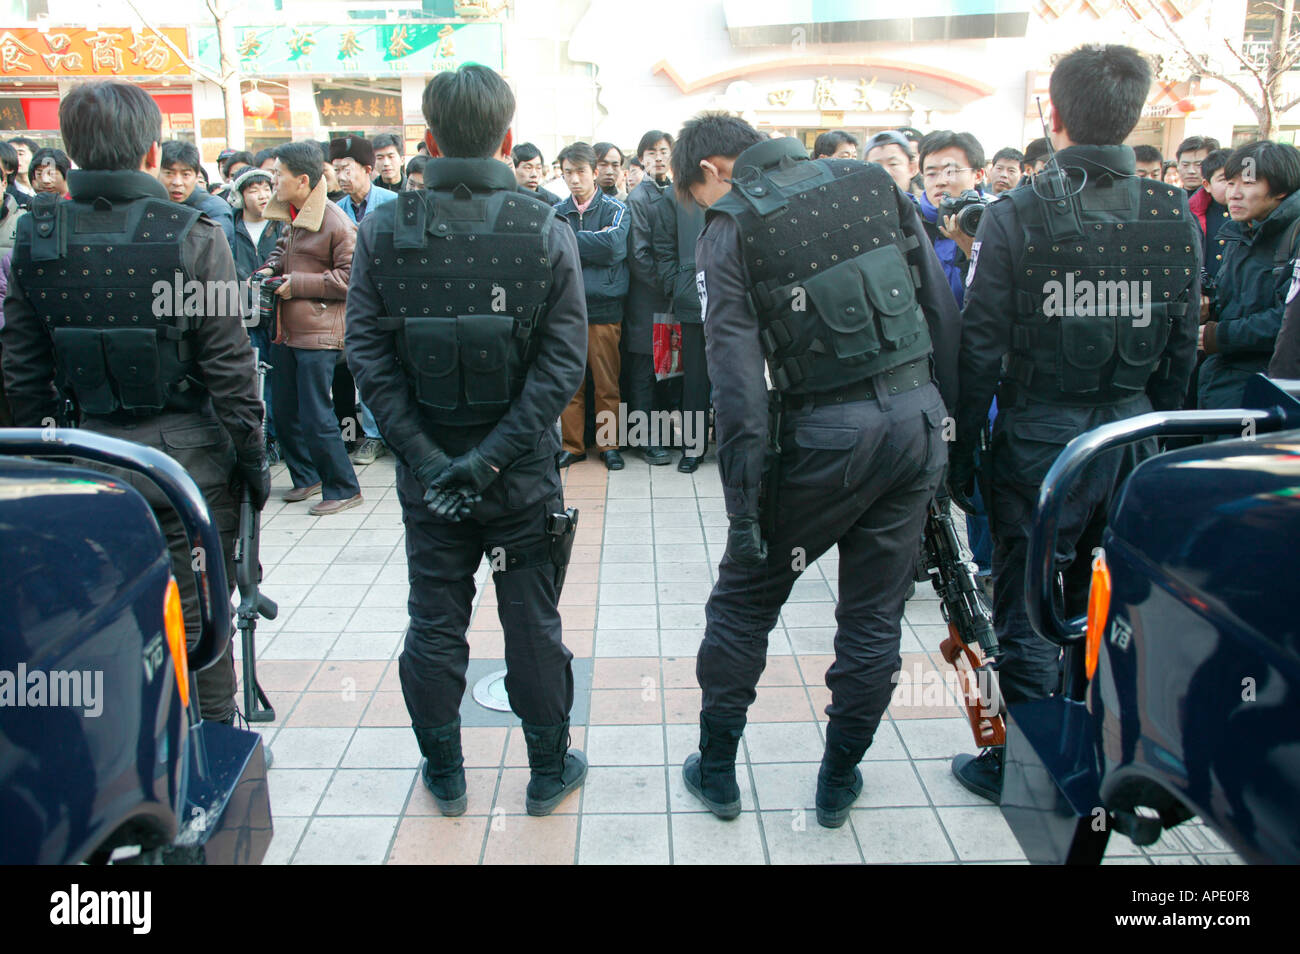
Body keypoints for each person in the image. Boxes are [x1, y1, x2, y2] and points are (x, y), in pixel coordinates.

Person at [673, 112, 960, 828]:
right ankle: (838, 781)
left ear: (713, 171)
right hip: (916, 419)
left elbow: (735, 385)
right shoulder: (870, 179)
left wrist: (744, 512)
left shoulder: (731, 225)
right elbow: (940, 310)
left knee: (743, 601)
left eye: (694, 196)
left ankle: (716, 773)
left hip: (826, 437)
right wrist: (949, 436)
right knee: (874, 615)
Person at [948, 44, 1200, 802]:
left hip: (1040, 446)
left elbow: (980, 346)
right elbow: (1182, 346)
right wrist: (1160, 438)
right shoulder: (1171, 213)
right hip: (1131, 440)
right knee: (1110, 600)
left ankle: (1020, 768)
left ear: (1052, 115)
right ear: (1131, 114)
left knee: (1026, 604)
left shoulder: (1017, 212)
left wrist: (963, 452)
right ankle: (1097, 750)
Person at [344, 64, 590, 817]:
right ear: (508, 138)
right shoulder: (545, 227)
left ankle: (444, 772)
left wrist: (430, 460)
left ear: (428, 139)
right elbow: (563, 365)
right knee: (531, 622)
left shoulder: (383, 228)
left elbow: (366, 356)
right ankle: (549, 770)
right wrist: (487, 460)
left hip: (433, 485)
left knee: (435, 620)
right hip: (516, 479)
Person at [1, 80, 268, 725]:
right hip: (187, 468)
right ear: (152, 153)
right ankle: (209, 759)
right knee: (202, 620)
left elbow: (22, 374)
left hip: (84, 459)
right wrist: (254, 458)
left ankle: (135, 750)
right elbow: (230, 366)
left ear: (69, 150)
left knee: (106, 621)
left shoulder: (34, 237)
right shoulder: (195, 235)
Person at [256, 141, 363, 515]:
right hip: (287, 329)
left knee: (317, 414)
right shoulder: (294, 214)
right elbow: (282, 251)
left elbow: (352, 277)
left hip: (320, 333)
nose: (272, 181)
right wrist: (269, 269)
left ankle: (344, 486)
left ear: (302, 180)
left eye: (277, 175)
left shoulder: (335, 221)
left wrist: (297, 284)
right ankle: (306, 477)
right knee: (284, 410)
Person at [1198, 140, 1300, 411]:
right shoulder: (1239, 231)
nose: (1234, 194)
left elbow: (1289, 322)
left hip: (1268, 390)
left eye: (1248, 183)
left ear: (1280, 189)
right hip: (1220, 378)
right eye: (1230, 183)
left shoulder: (1294, 237)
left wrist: (1218, 336)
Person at [554, 141, 630, 471]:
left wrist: (570, 243)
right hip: (566, 310)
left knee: (607, 382)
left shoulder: (615, 210)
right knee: (570, 383)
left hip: (604, 309)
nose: (574, 179)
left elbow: (613, 246)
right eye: (568, 172)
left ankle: (609, 445)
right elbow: (551, 251)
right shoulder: (557, 212)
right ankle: (572, 445)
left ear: (595, 172)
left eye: (580, 171)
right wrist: (590, 244)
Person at [329, 135, 394, 465]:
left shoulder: (392, 203)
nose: (341, 176)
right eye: (337, 169)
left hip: (387, 299)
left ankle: (389, 433)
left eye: (347, 169)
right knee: (359, 367)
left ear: (368, 169)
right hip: (350, 301)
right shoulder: (335, 210)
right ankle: (369, 436)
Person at [622, 130, 674, 465]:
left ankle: (665, 434)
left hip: (670, 301)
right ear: (641, 158)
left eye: (663, 151)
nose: (657, 157)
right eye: (651, 152)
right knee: (643, 371)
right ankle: (645, 440)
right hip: (649, 300)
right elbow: (639, 256)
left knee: (667, 370)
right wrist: (669, 285)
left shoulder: (676, 192)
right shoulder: (639, 198)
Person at [230, 166, 285, 458]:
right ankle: (257, 438)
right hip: (243, 314)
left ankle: (275, 437)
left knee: (278, 379)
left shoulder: (281, 226)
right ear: (240, 195)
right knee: (251, 378)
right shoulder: (229, 226)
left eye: (266, 188)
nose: (262, 195)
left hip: (277, 313)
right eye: (253, 190)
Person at [917, 130, 986, 305]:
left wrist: (972, 253)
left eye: (951, 172)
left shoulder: (997, 222)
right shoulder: (909, 222)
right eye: (931, 173)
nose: (940, 181)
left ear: (978, 175)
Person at [159, 139, 236, 249]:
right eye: (169, 173)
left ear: (196, 176)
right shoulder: (150, 203)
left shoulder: (215, 209)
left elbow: (217, 251)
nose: (177, 182)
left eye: (185, 174)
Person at [863, 130, 917, 194]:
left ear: (912, 169)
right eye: (876, 166)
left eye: (893, 164)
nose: (885, 172)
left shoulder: (928, 201)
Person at [511, 141, 560, 205]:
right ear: (513, 169)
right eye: (528, 168)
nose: (534, 174)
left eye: (538, 168)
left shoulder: (553, 202)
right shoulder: (504, 198)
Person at [6, 136, 37, 208]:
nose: (16, 158)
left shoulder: (49, 188)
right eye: (12, 154)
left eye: (20, 154)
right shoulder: (7, 194)